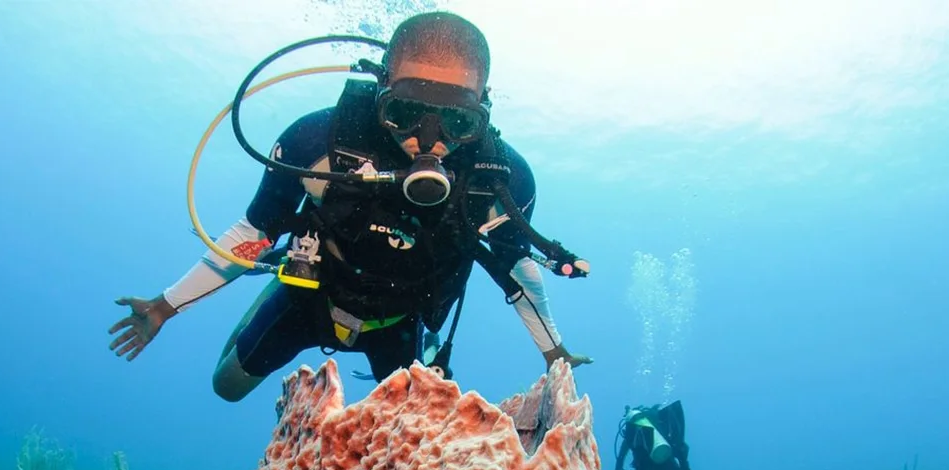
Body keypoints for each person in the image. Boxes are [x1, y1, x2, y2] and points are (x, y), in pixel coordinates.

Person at [108, 12, 592, 400]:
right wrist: (165, 306)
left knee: (411, 439)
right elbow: (254, 233)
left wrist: (554, 352)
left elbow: (515, 266)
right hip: (311, 294)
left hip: (402, 322)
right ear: (382, 89)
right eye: (404, 114)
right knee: (227, 388)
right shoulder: (318, 143)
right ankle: (268, 293)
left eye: (457, 122)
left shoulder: (501, 180)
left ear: (482, 109)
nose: (429, 142)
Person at [613, 401, 699, 470]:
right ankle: (683, 460)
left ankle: (680, 461)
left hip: (646, 466)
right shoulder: (656, 421)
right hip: (666, 460)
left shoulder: (631, 433)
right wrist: (682, 459)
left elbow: (620, 458)